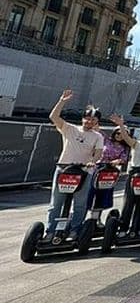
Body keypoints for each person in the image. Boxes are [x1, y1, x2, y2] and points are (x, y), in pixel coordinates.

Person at [45, 90, 104, 241]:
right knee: (55, 203)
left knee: (80, 203)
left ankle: (75, 230)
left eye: (93, 120)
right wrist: (62, 101)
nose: (89, 122)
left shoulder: (97, 136)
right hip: (64, 168)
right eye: (87, 118)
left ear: (97, 122)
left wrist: (94, 161)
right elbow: (53, 117)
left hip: (84, 171)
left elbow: (97, 153)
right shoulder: (69, 128)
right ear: (83, 118)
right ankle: (50, 231)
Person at [86, 125, 130, 223]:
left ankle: (97, 219)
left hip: (109, 172)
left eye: (123, 134)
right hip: (97, 169)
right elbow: (98, 130)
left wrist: (117, 161)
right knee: (90, 192)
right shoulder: (106, 140)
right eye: (118, 133)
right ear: (114, 133)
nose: (120, 135)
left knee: (103, 194)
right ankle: (84, 218)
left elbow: (124, 158)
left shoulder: (125, 147)